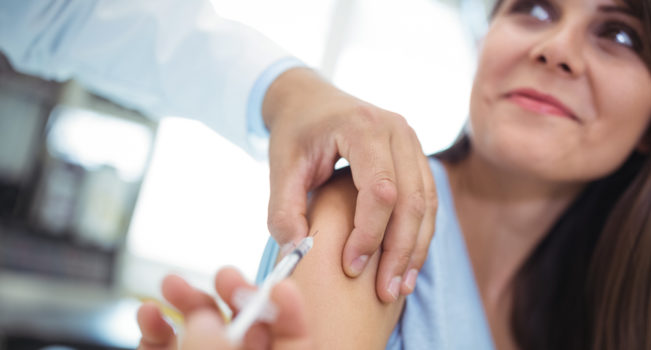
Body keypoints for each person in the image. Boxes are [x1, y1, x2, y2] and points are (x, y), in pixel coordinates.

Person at [140, 0, 651, 348]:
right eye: (534, 7)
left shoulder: (588, 320)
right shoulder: (373, 209)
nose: (557, 49)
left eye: (619, 34)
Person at [0, 0, 437, 302]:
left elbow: (61, 14)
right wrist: (289, 93)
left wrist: (286, 92)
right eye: (509, 10)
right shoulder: (361, 198)